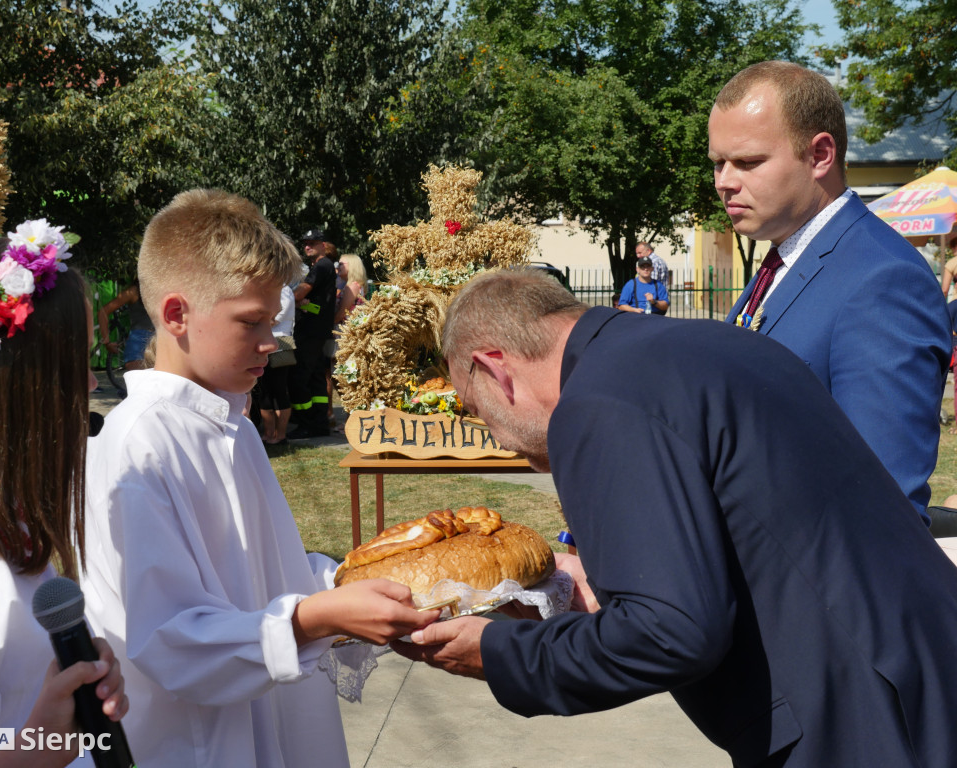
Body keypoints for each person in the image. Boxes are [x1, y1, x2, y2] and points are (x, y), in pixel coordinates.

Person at [393, 268, 957, 768]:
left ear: (495, 369)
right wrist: (602, 582)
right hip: (916, 673)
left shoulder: (598, 402)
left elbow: (672, 634)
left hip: (861, 721)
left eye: (476, 410)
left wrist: (496, 652)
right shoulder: (699, 345)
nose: (498, 438)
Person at [79, 190, 438, 768]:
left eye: (273, 321)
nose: (270, 343)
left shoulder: (233, 427)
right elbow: (166, 639)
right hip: (198, 742)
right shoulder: (136, 447)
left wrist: (365, 576)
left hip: (275, 720)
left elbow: (268, 568)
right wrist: (313, 618)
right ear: (177, 315)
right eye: (251, 323)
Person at [714, 61, 950, 523]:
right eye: (718, 163)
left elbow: (879, 504)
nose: (724, 181)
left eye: (747, 162)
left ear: (820, 155)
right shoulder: (784, 257)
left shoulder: (882, 281)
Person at [0, 227, 128, 768]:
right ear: (18, 390)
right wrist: (30, 754)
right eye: (75, 367)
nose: (90, 386)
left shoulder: (10, 526)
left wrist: (62, 709)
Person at [287, 228, 337, 438]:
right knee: (316, 377)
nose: (307, 246)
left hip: (310, 332)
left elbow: (302, 291)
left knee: (299, 377)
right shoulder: (323, 266)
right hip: (317, 331)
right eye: (306, 243)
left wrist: (287, 295)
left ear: (322, 245)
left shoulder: (322, 266)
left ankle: (306, 422)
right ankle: (319, 423)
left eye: (313, 243)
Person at [254, 281, 298, 444]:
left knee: (279, 389)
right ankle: (268, 434)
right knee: (265, 390)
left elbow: (276, 319)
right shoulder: (269, 289)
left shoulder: (285, 290)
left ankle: (280, 435)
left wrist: (256, 322)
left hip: (282, 343)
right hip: (265, 342)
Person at [96, 280, 153, 371]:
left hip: (158, 344)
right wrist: (107, 342)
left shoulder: (161, 288)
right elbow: (103, 312)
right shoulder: (134, 291)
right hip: (139, 345)